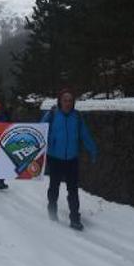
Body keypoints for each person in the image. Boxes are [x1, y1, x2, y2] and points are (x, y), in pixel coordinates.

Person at [40, 88, 98, 230]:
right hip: (55, 158)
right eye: (65, 100)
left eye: (70, 101)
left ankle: (75, 219)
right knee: (54, 186)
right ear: (60, 101)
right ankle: (52, 209)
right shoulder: (53, 114)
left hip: (72, 159)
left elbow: (85, 135)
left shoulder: (77, 117)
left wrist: (93, 150)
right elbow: (40, 130)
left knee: (73, 190)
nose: (67, 103)